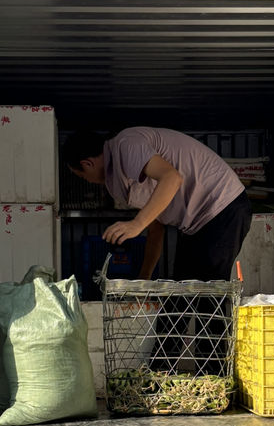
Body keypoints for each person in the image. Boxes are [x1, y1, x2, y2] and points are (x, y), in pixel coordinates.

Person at [63, 127, 253, 374]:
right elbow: (156, 228)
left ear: (87, 163)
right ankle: (158, 377)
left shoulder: (126, 145)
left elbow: (172, 178)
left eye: (81, 176)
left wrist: (135, 224)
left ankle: (215, 382)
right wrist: (143, 280)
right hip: (196, 223)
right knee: (177, 297)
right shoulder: (120, 179)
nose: (86, 181)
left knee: (209, 298)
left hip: (222, 207)